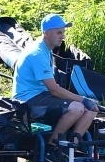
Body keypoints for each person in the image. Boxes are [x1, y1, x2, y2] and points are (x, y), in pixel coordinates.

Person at [12, 14, 100, 142]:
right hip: (27, 102)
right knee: (77, 108)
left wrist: (87, 102)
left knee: (91, 110)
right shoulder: (37, 54)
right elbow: (54, 90)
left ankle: (72, 147)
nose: (62, 36)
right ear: (46, 33)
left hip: (43, 96)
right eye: (59, 32)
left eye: (63, 32)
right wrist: (83, 99)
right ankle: (53, 147)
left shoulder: (47, 50)